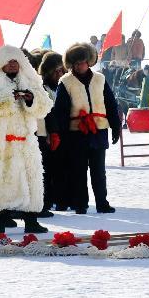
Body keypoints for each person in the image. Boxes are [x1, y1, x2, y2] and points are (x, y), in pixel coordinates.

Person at [0, 45, 53, 235]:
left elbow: (45, 106)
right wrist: (9, 97)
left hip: (26, 141)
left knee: (31, 179)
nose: (12, 65)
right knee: (0, 181)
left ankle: (31, 220)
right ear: (0, 63)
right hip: (0, 143)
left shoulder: (31, 79)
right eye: (8, 61)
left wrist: (31, 98)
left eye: (15, 61)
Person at [53, 42, 121, 214]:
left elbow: (111, 104)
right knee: (78, 170)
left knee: (99, 170)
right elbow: (60, 110)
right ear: (71, 64)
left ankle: (102, 202)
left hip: (99, 130)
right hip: (77, 132)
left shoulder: (100, 79)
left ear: (88, 62)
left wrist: (116, 127)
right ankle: (80, 204)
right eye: (76, 63)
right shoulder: (65, 82)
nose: (80, 66)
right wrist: (61, 133)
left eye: (82, 62)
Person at [36, 51, 66, 214]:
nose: (59, 74)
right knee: (47, 169)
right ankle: (46, 201)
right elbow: (48, 112)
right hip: (46, 133)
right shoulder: (43, 88)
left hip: (63, 133)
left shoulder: (63, 86)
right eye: (56, 71)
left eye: (61, 70)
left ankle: (61, 198)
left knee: (61, 169)